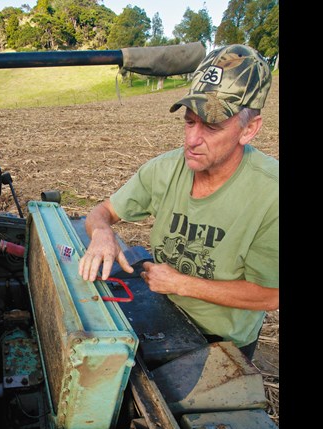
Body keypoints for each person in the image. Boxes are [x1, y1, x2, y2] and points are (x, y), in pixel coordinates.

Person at [77, 44, 278, 360]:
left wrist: (181, 284)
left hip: (219, 341)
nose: (192, 139)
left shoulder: (271, 195)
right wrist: (102, 232)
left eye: (211, 126)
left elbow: (270, 296)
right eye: (189, 122)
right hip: (162, 310)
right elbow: (102, 212)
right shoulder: (164, 169)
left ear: (249, 129)